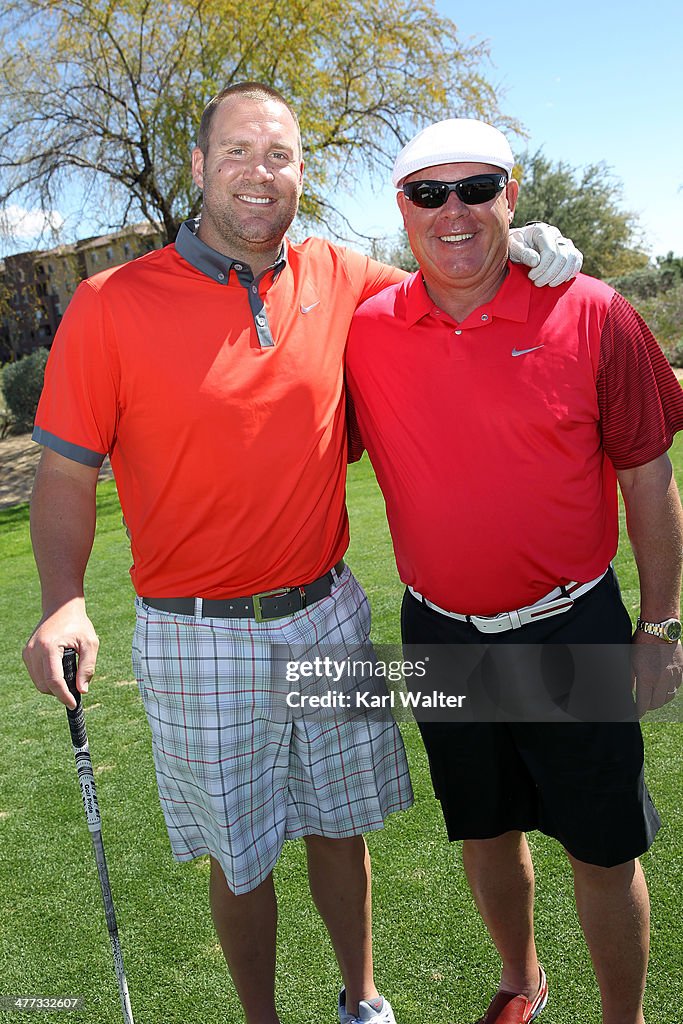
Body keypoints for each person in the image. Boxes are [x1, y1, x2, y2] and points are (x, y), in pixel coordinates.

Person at [22, 82, 581, 1024]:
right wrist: (62, 599)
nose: (258, 173)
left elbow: (446, 279)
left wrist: (519, 251)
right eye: (236, 153)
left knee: (340, 825)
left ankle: (361, 1000)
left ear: (301, 174)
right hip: (195, 634)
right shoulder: (109, 303)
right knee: (240, 857)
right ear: (198, 169)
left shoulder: (340, 276)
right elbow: (67, 475)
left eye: (277, 155)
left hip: (327, 610)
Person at [345, 117, 683, 1024]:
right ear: (402, 209)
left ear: (512, 196)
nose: (451, 211)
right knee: (484, 830)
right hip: (440, 628)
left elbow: (647, 473)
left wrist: (658, 627)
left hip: (571, 624)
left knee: (603, 847)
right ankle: (520, 979)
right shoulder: (365, 330)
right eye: (428, 193)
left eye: (475, 189)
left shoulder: (591, 308)